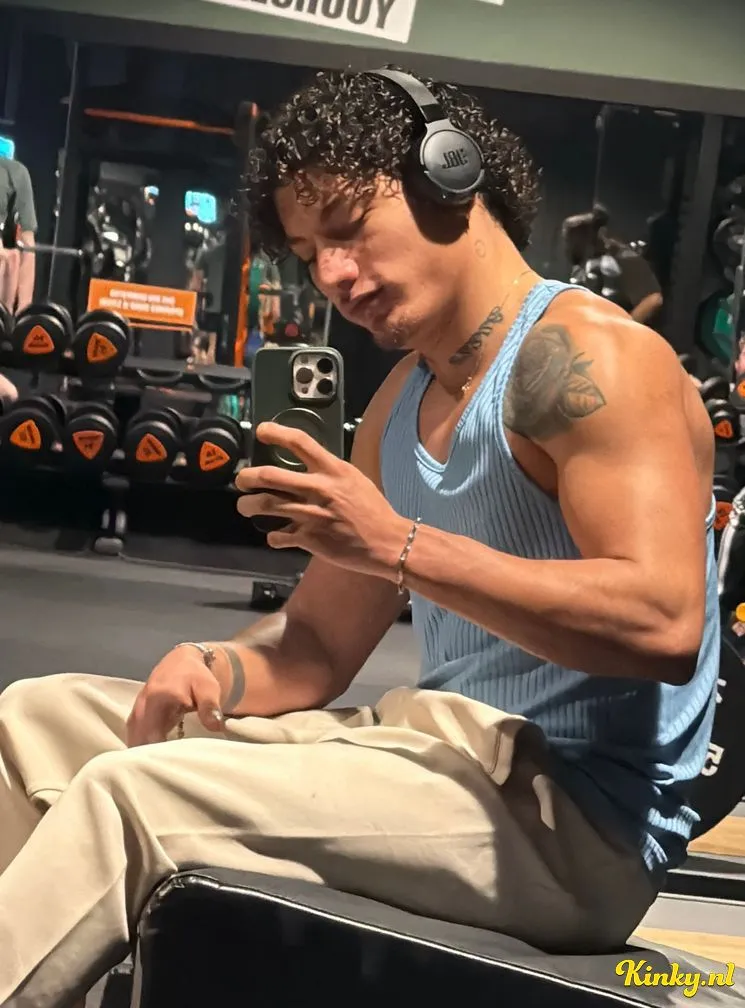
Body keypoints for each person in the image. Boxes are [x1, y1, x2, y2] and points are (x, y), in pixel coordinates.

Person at [0, 66, 719, 1006]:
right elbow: (316, 643)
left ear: (450, 178)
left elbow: (662, 625)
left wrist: (397, 543)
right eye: (309, 253)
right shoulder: (402, 399)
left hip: (573, 826)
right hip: (435, 755)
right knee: (34, 723)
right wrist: (218, 668)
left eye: (347, 228)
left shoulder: (591, 359)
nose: (332, 276)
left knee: (132, 797)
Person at [562, 204, 664, 325]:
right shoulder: (581, 267)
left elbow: (653, 299)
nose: (569, 247)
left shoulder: (624, 258)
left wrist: (622, 328)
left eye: (575, 241)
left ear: (598, 234)